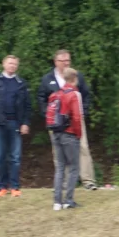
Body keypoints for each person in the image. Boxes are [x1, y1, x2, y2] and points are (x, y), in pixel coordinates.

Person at [36, 50, 97, 190]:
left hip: (75, 119)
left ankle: (88, 181)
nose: (66, 63)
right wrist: (48, 114)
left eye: (68, 60)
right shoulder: (47, 79)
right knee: (59, 153)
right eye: (63, 61)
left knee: (82, 148)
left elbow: (86, 95)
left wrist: (83, 112)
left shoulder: (76, 76)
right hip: (57, 122)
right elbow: (41, 99)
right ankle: (64, 183)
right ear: (56, 62)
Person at [0, 55, 30, 198]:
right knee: (0, 156)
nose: (12, 66)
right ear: (4, 64)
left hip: (15, 123)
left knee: (15, 156)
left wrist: (25, 122)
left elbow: (27, 106)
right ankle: (2, 187)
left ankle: (15, 187)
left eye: (15, 64)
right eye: (10, 63)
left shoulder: (21, 83)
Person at [46, 67, 84, 210]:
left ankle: (57, 202)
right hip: (69, 134)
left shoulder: (55, 94)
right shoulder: (74, 94)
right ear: (74, 79)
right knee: (74, 167)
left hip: (55, 133)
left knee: (60, 168)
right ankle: (68, 200)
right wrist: (78, 134)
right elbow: (76, 117)